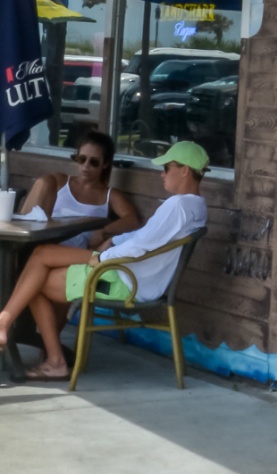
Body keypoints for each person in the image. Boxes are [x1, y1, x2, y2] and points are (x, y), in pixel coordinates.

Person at [0, 141, 209, 381]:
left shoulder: (178, 206)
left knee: (35, 278)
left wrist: (102, 257)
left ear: (184, 170)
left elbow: (142, 245)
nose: (162, 174)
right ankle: (9, 325)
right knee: (40, 260)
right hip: (129, 276)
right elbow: (144, 236)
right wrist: (113, 240)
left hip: (120, 282)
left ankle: (48, 355)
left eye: (167, 168)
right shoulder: (196, 206)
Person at [19, 128, 139, 249]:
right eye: (81, 159)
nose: (86, 166)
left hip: (73, 250)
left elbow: (132, 220)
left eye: (94, 162)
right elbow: (30, 211)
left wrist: (105, 231)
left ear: (105, 164)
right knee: (45, 181)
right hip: (44, 242)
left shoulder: (109, 195)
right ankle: (18, 240)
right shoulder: (59, 181)